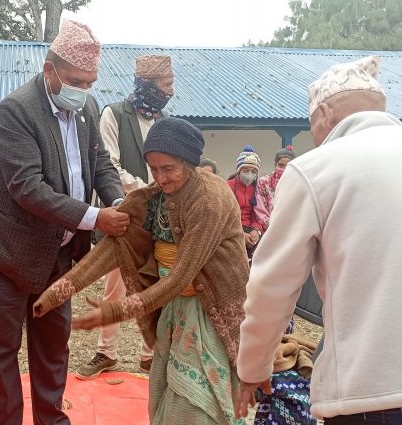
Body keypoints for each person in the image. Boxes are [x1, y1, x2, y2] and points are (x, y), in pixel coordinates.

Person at [235, 55, 402, 424]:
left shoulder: (314, 169)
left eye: (311, 123)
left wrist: (252, 367)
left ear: (324, 113)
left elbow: (272, 285)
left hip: (373, 394)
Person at [34, 117, 250, 425]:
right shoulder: (154, 199)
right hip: (175, 311)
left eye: (169, 168)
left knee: (197, 401)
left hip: (210, 309)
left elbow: (181, 277)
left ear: (189, 162)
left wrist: (116, 311)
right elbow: (112, 248)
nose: (161, 178)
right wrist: (57, 293)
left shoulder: (208, 200)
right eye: (154, 169)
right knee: (167, 387)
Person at [0, 19, 128, 425]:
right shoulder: (17, 111)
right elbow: (28, 188)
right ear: (49, 71)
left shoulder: (88, 108)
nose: (84, 90)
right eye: (76, 80)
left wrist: (119, 201)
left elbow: (99, 164)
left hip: (58, 257)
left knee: (53, 348)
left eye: (91, 82)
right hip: (6, 254)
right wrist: (97, 219)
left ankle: (51, 419)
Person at [78, 54, 174, 380]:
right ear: (148, 84)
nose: (171, 91)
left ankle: (150, 354)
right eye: (166, 84)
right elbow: (108, 166)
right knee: (115, 288)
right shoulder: (114, 115)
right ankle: (106, 352)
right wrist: (144, 189)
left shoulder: (164, 120)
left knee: (152, 285)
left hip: (157, 219)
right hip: (125, 214)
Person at [227, 145, 265, 259]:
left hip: (251, 231)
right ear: (238, 170)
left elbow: (258, 214)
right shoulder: (227, 186)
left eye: (253, 171)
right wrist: (239, 234)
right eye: (245, 170)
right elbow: (224, 216)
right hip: (231, 231)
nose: (249, 174)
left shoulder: (258, 189)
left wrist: (256, 231)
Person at [255, 145, 297, 229]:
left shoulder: (297, 183)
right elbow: (259, 208)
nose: (284, 169)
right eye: (281, 165)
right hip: (268, 228)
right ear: (275, 164)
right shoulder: (263, 182)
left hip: (291, 228)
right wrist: (271, 225)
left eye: (288, 166)